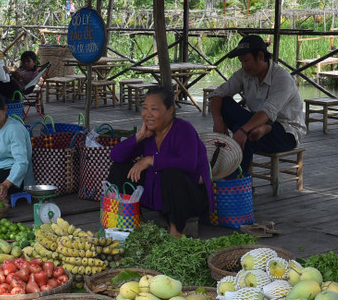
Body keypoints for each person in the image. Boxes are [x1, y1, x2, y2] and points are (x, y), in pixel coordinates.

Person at [108, 85, 213, 237]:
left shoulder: (184, 129)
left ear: (170, 110)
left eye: (154, 109)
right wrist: (139, 136)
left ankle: (176, 231)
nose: (148, 114)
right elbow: (116, 156)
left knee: (171, 173)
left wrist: (151, 160)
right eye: (145, 108)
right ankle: (137, 220)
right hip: (158, 196)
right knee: (119, 168)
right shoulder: (149, 134)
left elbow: (189, 163)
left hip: (190, 199)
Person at [209, 33, 306, 163]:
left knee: (248, 136)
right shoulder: (245, 74)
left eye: (246, 60)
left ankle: (238, 179)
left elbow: (268, 111)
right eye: (241, 61)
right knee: (225, 103)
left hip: (285, 132)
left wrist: (243, 130)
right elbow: (217, 94)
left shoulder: (282, 78)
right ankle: (258, 129)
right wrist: (218, 121)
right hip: (256, 124)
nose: (243, 65)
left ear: (260, 56)